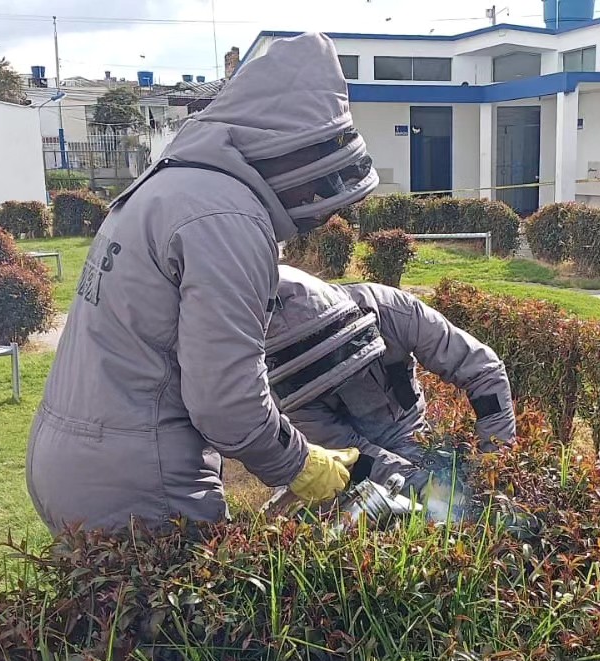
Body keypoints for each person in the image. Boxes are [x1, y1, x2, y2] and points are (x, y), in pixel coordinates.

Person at [27, 33, 379, 534]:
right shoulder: (229, 217)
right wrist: (300, 464)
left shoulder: (174, 186)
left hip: (70, 459)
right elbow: (227, 404)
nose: (323, 195)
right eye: (317, 155)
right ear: (280, 140)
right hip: (140, 484)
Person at [264, 266, 516, 494]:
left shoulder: (393, 310)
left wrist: (493, 462)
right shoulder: (280, 381)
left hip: (411, 432)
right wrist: (422, 487)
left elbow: (483, 371)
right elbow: (347, 453)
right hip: (345, 460)